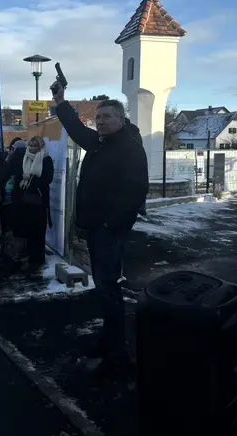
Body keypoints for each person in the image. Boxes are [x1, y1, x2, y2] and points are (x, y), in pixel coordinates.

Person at [51, 80, 148, 380]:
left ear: (121, 119)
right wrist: (61, 101)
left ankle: (118, 354)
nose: (101, 121)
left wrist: (110, 224)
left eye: (107, 117)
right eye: (98, 117)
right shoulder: (100, 143)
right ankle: (109, 341)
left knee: (108, 289)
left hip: (108, 230)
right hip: (96, 228)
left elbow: (135, 191)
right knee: (104, 288)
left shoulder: (129, 148)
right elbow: (76, 129)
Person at [9, 137, 53, 267]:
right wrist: (21, 180)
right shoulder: (25, 157)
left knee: (38, 231)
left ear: (41, 147)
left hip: (39, 201)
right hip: (25, 201)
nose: (33, 148)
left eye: (36, 146)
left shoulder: (46, 159)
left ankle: (38, 259)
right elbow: (18, 176)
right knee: (27, 229)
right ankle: (29, 255)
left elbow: (47, 179)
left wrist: (31, 179)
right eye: (31, 145)